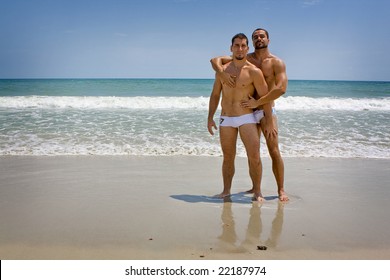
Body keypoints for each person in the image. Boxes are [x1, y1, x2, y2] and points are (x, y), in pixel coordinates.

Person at [210, 28, 289, 202]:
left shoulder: (276, 62)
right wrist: (222, 73)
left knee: (273, 149)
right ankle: (255, 187)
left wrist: (264, 112)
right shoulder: (245, 56)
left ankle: (281, 189)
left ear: (268, 39)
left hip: (264, 109)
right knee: (253, 152)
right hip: (247, 110)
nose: (259, 39)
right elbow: (215, 60)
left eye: (262, 36)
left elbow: (281, 89)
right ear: (251, 42)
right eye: (255, 37)